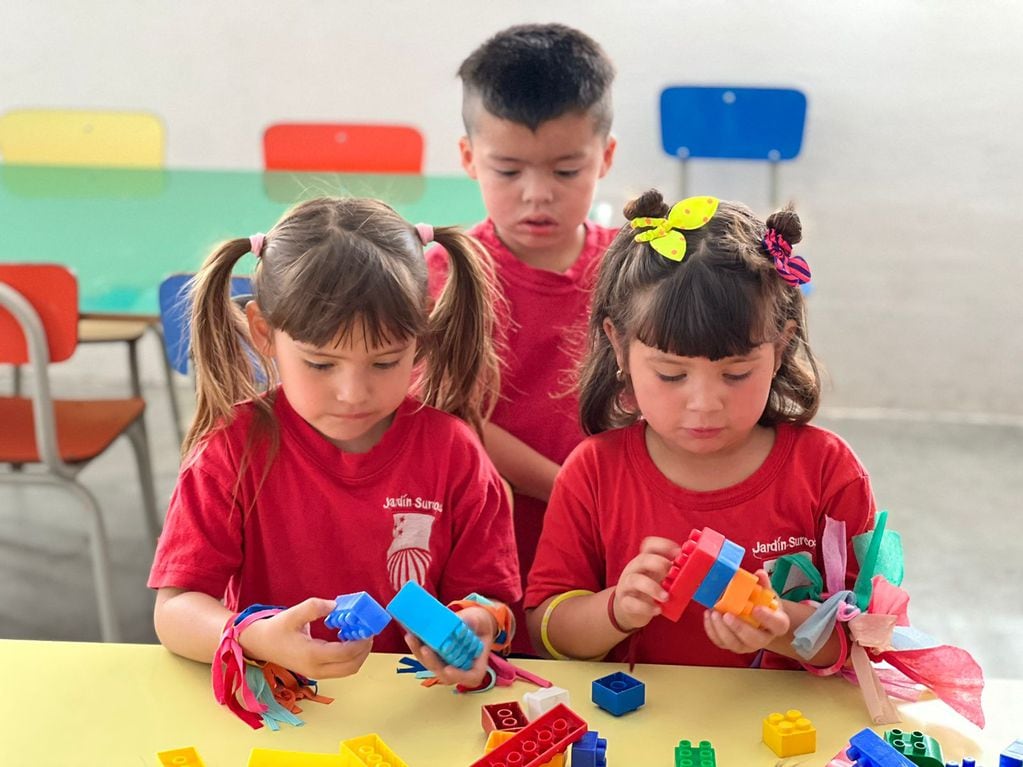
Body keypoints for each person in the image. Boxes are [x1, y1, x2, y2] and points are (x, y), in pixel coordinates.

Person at [149, 197, 520, 688]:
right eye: (321, 364)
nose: (353, 393)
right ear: (264, 333)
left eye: (385, 362)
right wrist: (252, 636)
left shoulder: (453, 452)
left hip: (412, 711)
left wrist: (477, 626)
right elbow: (175, 611)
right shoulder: (232, 450)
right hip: (282, 702)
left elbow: (497, 607)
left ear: (420, 336)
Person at [525, 191, 877, 668]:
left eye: (736, 374)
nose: (705, 404)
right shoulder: (593, 472)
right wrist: (615, 610)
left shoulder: (826, 472)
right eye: (671, 375)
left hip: (784, 732)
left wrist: (779, 627)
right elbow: (546, 628)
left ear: (780, 348)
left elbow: (869, 638)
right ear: (619, 346)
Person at [426, 24, 618, 651]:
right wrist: (570, 489)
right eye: (507, 170)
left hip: (613, 547)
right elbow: (452, 413)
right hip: (495, 553)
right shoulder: (448, 276)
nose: (537, 195)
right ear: (466, 157)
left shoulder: (634, 269)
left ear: (606, 157)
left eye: (567, 170)